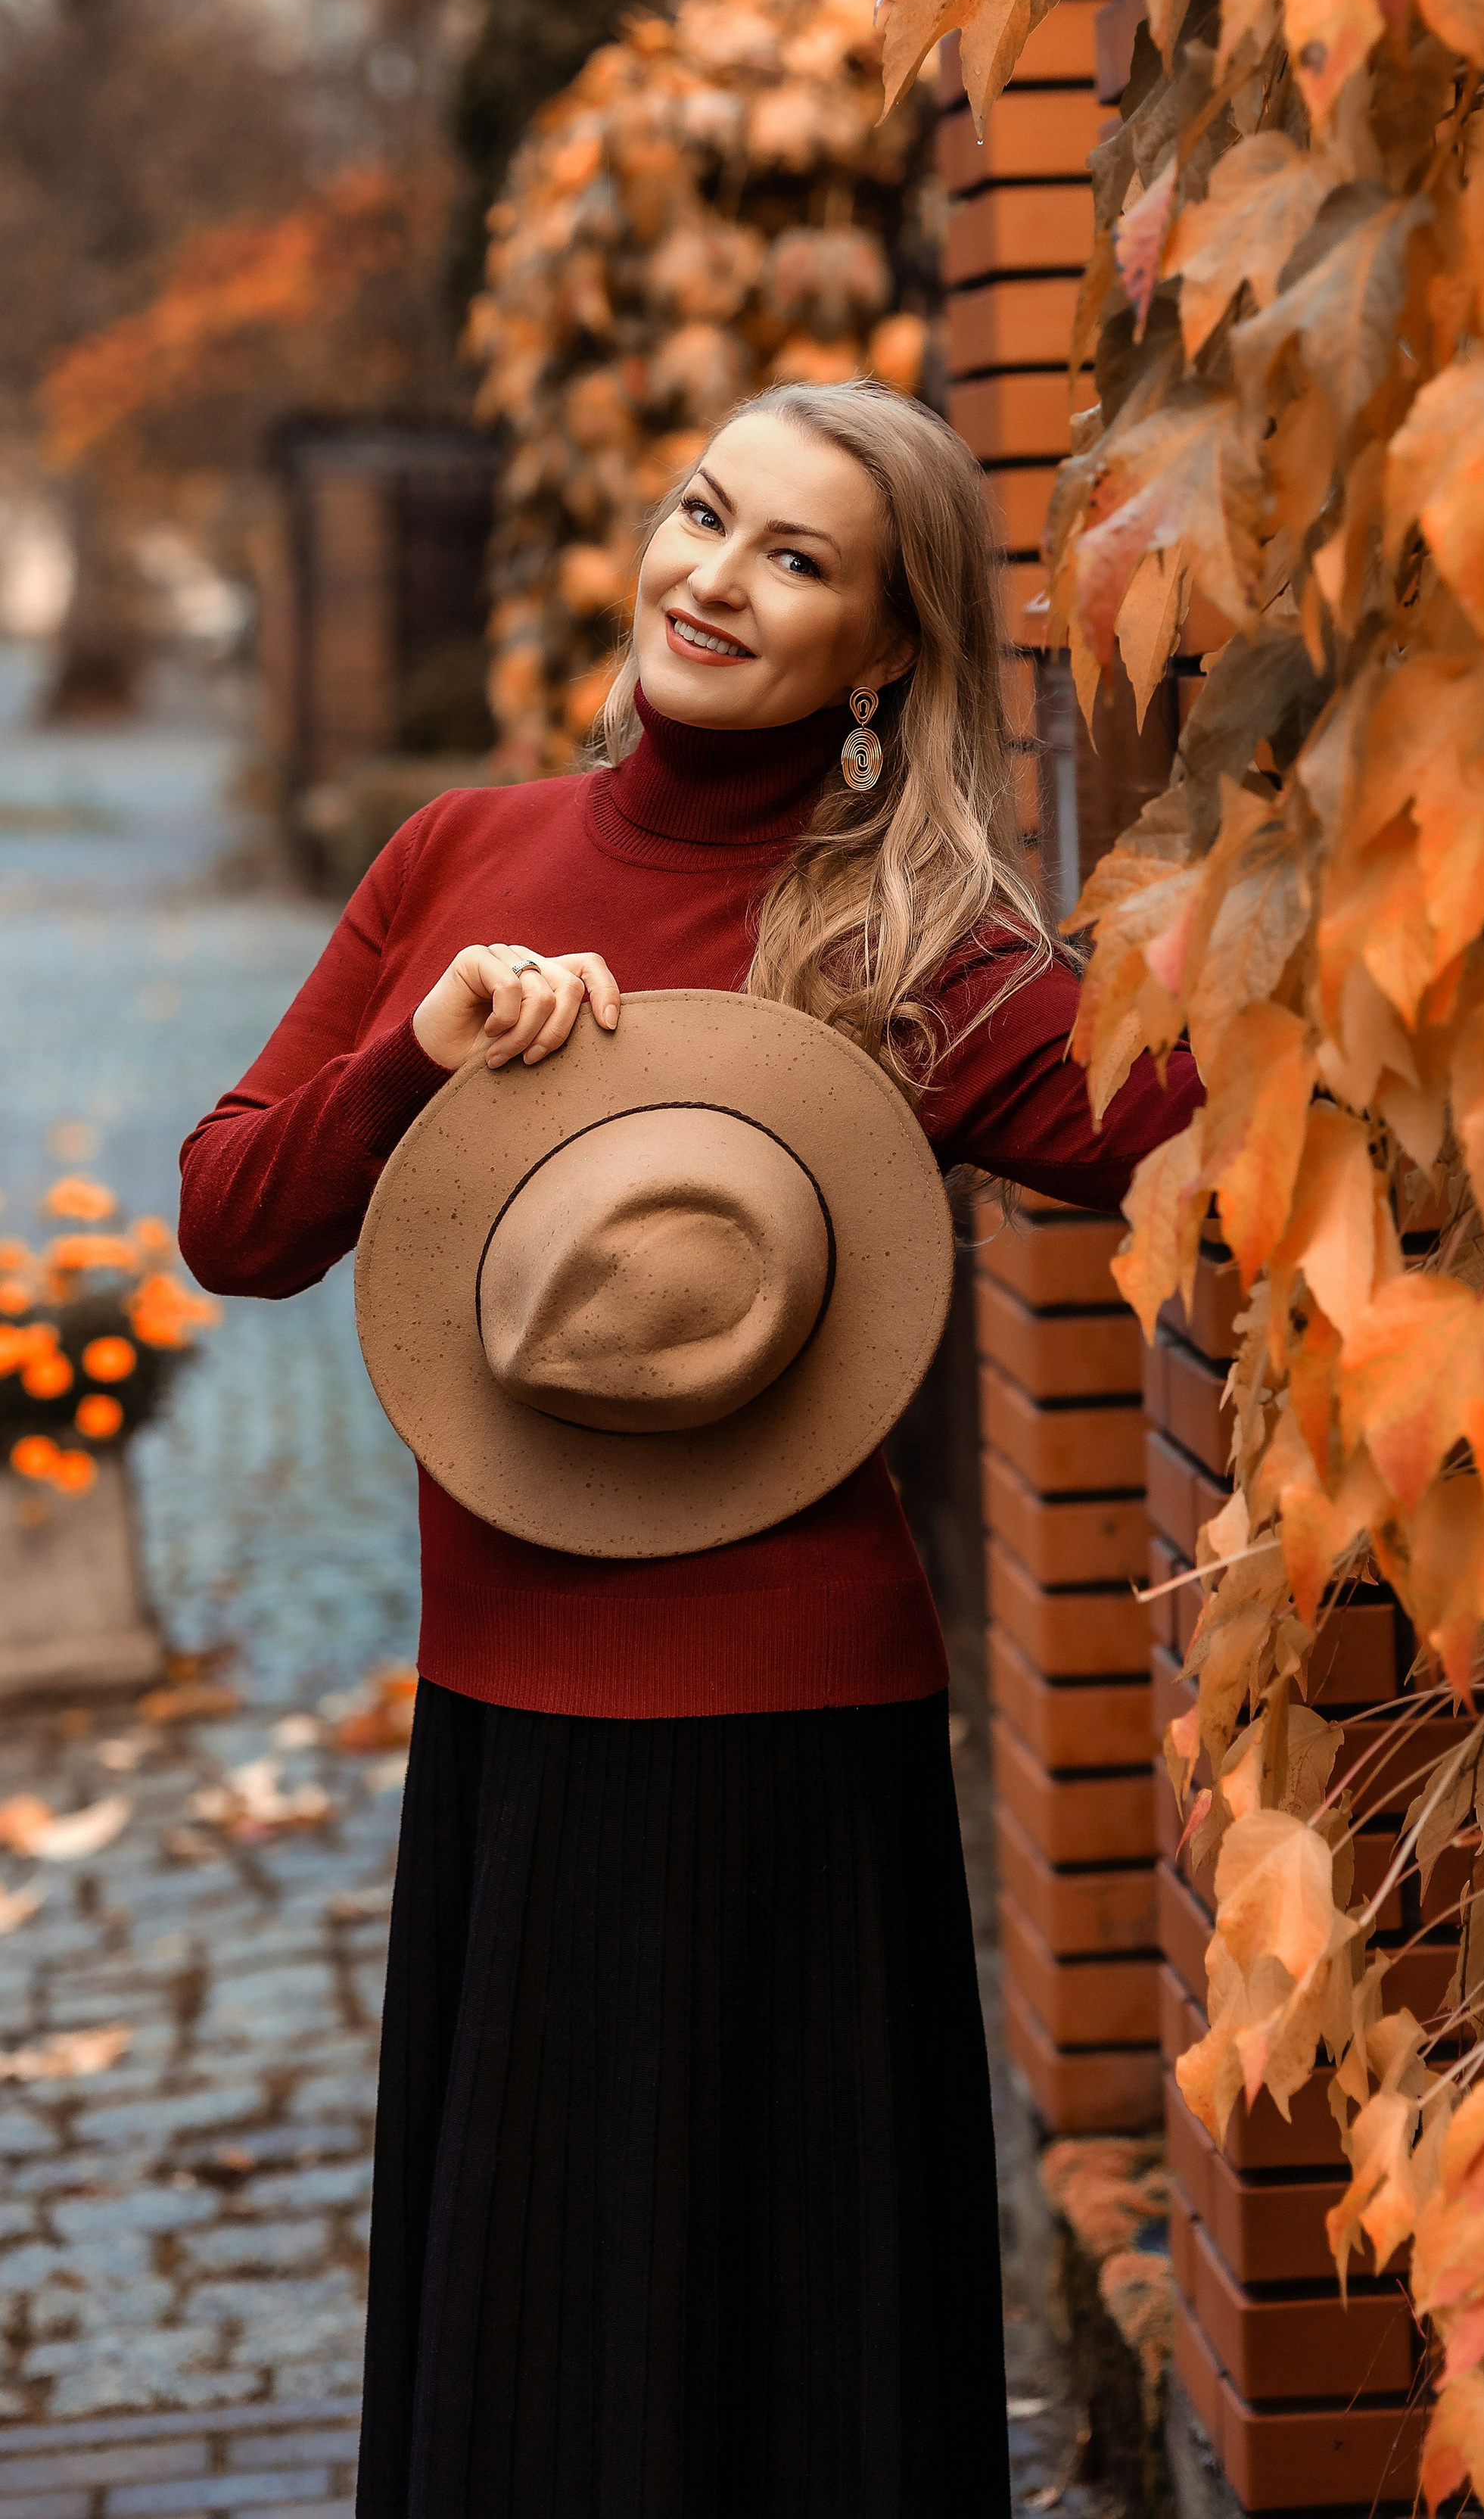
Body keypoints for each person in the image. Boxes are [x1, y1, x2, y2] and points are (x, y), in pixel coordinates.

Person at [178, 380, 1201, 2518]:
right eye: (707, 515)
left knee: (792, 2354)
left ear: (887, 651)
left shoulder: (912, 941)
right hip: (508, 1720)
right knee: (537, 2354)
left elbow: (1199, 1138)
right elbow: (235, 1215)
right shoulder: (456, 856)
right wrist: (414, 1059)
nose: (715, 580)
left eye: (799, 559)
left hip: (794, 1747)